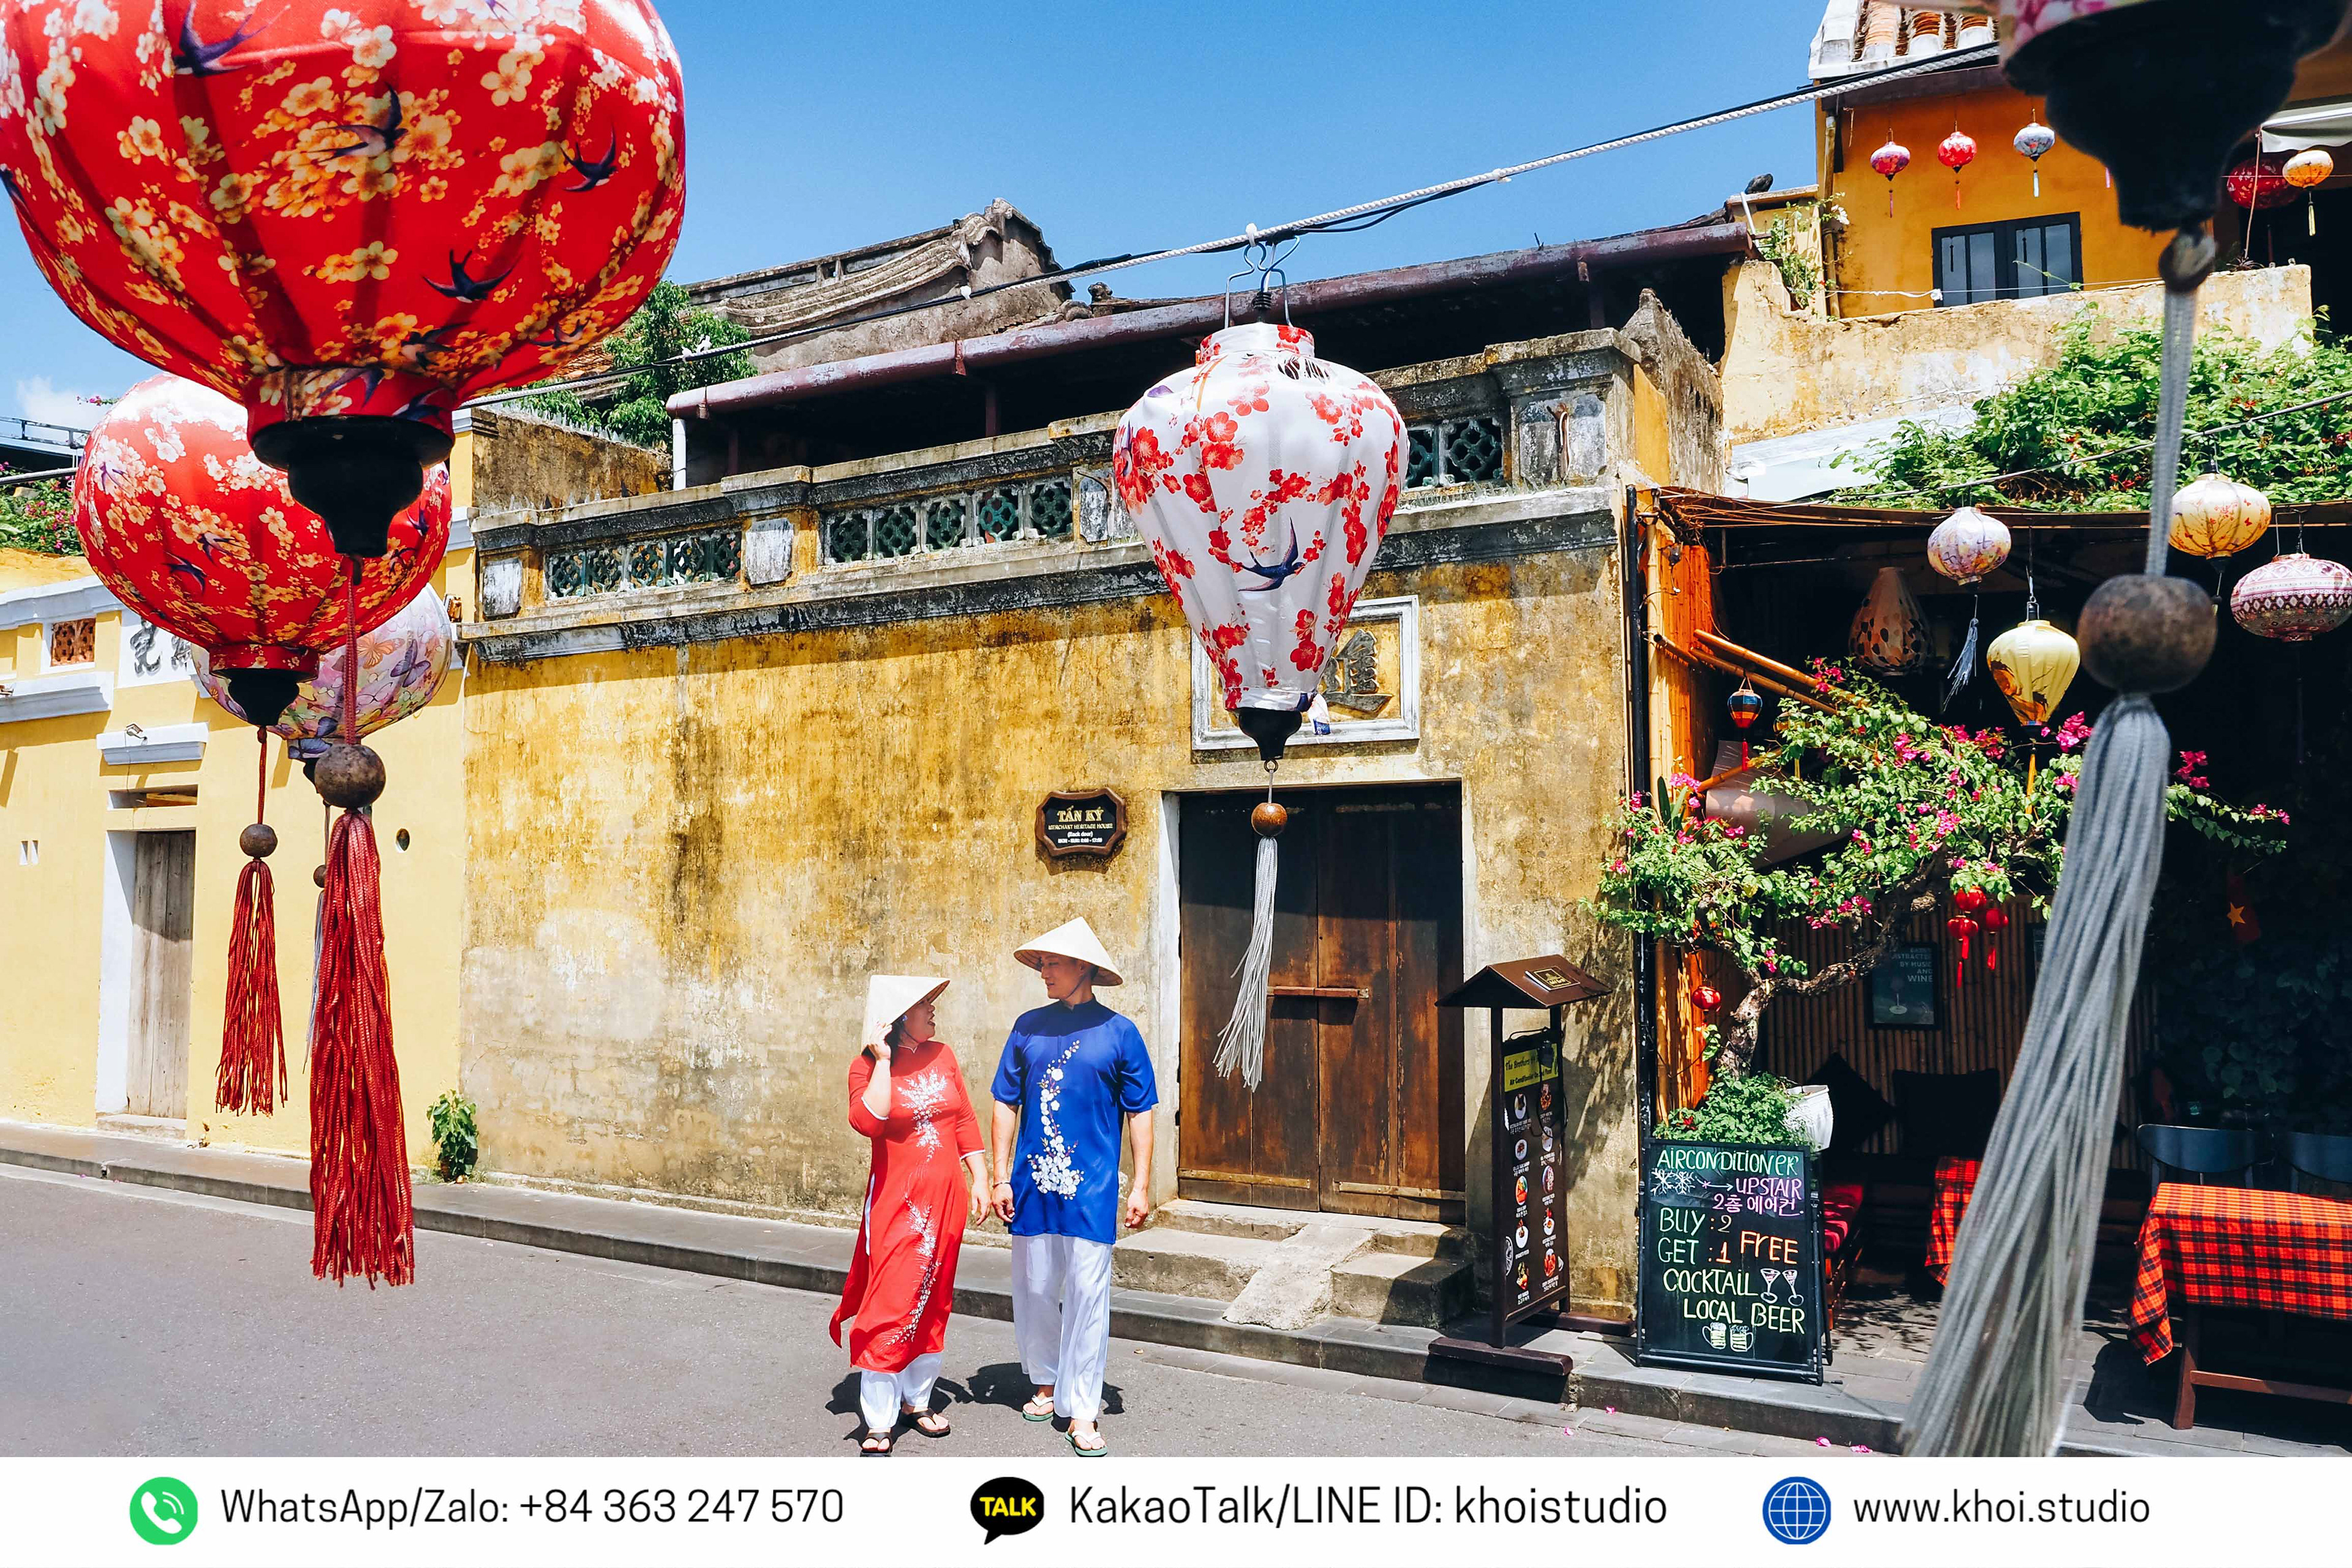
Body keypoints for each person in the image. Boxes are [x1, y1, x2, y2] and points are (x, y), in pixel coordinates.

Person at [989, 918, 1158, 1458]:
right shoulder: (1027, 1028)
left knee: (1088, 1294)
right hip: (1032, 1187)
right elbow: (1004, 1102)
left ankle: (1083, 1408)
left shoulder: (1120, 1033)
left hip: (1093, 1190)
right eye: (1041, 963)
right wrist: (999, 1175)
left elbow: (1141, 1111)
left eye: (1053, 963)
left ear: (1083, 967)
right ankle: (1045, 1380)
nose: (1044, 972)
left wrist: (1141, 1185)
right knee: (1036, 1287)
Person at [830, 975, 987, 1456]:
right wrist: (882, 1060)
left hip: (947, 1201)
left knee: (934, 1299)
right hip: (898, 1206)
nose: (933, 1010)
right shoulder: (865, 1067)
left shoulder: (944, 1055)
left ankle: (917, 1401)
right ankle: (879, 1418)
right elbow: (868, 1122)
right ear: (898, 1019)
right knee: (891, 1302)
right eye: (924, 1004)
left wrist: (981, 1178)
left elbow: (964, 1119)